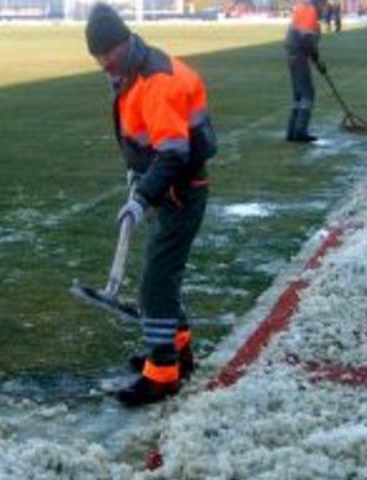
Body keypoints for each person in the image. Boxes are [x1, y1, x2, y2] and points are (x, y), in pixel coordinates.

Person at [85, 3, 217, 406]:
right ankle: (180, 350)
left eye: (108, 52)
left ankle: (162, 374)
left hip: (181, 189)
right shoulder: (133, 71)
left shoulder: (156, 79)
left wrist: (143, 198)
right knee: (162, 277)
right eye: (97, 56)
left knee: (155, 285)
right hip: (169, 186)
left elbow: (174, 154)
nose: (104, 62)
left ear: (125, 40)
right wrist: (139, 172)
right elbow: (150, 141)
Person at [285, 0, 326, 142]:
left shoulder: (304, 8)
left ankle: (292, 131)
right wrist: (317, 60)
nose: (324, 8)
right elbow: (308, 39)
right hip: (299, 56)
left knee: (298, 96)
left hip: (293, 55)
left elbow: (307, 38)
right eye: (324, 5)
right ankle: (300, 132)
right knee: (308, 94)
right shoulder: (310, 11)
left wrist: (315, 58)